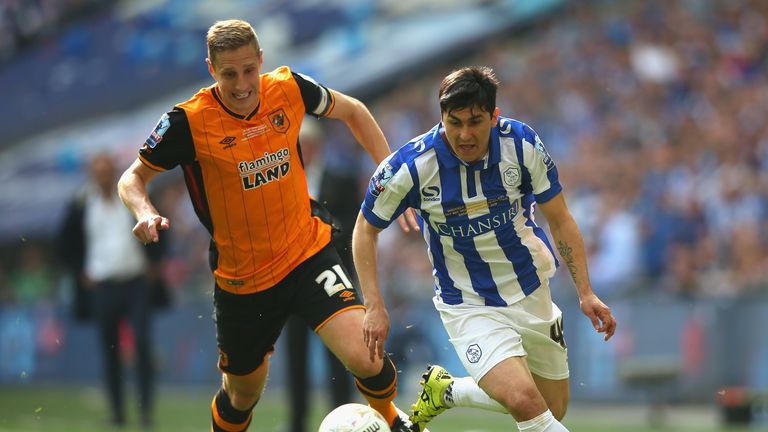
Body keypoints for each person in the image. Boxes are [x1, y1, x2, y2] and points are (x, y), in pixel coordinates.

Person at [116, 19, 419, 432]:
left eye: (248, 70)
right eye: (229, 74)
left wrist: (393, 181)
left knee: (367, 356)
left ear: (261, 60)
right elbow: (131, 178)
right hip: (244, 281)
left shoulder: (288, 87)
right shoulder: (188, 121)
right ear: (211, 68)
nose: (242, 84)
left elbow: (354, 111)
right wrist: (144, 211)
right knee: (242, 396)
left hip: (307, 253)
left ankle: (393, 421)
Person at [352, 66, 617, 432]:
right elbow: (364, 229)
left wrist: (585, 292)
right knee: (526, 402)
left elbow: (561, 219)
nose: (464, 134)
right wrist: (374, 305)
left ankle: (447, 392)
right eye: (453, 121)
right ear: (441, 117)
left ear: (494, 116)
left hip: (530, 289)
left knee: (553, 409)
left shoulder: (522, 145)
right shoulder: (411, 166)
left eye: (475, 121)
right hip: (468, 303)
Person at [57, 152, 167, 429]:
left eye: (108, 171)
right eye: (99, 172)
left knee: (142, 345)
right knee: (110, 350)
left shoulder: (130, 196)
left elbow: (159, 223)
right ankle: (118, 413)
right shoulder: (82, 203)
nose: (104, 177)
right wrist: (80, 273)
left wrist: (155, 263)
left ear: (115, 172)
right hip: (103, 285)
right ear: (92, 175)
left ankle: (145, 412)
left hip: (136, 281)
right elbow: (66, 242)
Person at [283, 123, 353, 432]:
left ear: (317, 146)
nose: (303, 152)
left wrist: (321, 229)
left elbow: (354, 226)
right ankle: (297, 422)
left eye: (306, 145)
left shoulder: (341, 180)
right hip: (293, 281)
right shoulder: (282, 184)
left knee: (339, 354)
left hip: (333, 278)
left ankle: (344, 419)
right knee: (295, 355)